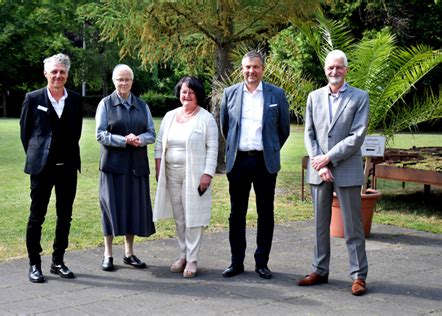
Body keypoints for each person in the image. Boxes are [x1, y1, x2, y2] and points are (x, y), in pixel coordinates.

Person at [298, 50, 370, 296]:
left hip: (346, 168)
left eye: (339, 67)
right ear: (325, 70)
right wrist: (321, 164)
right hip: (320, 171)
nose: (334, 71)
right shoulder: (313, 97)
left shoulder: (360, 97)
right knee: (320, 225)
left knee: (353, 226)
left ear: (346, 70)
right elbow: (309, 134)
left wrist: (329, 158)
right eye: (330, 67)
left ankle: (359, 276)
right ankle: (319, 270)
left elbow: (357, 136)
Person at [220, 51, 290, 279]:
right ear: (242, 69)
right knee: (236, 214)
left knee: (265, 213)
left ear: (263, 69)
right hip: (238, 161)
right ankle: (236, 262)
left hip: (264, 162)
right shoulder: (230, 94)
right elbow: (226, 127)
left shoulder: (276, 94)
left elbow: (283, 129)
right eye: (247, 67)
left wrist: (270, 148)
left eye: (256, 67)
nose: (251, 71)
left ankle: (262, 262)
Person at [20, 53, 83, 283]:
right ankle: (34, 264)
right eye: (54, 71)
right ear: (46, 73)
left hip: (67, 167)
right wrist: (39, 156)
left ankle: (58, 262)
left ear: (67, 75)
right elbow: (26, 134)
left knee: (65, 217)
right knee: (37, 217)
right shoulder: (33, 98)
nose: (58, 75)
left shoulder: (75, 100)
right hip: (41, 169)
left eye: (62, 72)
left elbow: (75, 131)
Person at [153, 76, 218, 278]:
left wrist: (207, 174)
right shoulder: (170, 116)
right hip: (171, 172)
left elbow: (213, 148)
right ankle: (182, 254)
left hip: (195, 175)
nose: (186, 95)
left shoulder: (206, 118)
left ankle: (192, 259)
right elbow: (158, 145)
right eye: (183, 91)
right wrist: (158, 169)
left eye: (191, 92)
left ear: (197, 94)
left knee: (193, 217)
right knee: (180, 217)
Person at [95, 64, 156, 272]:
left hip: (136, 168)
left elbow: (151, 134)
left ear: (132, 81)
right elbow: (100, 134)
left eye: (127, 79)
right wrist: (124, 140)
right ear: (114, 81)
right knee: (110, 209)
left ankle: (129, 253)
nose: (123, 83)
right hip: (112, 167)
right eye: (120, 79)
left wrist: (139, 139)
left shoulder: (142, 105)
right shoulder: (105, 104)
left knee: (132, 209)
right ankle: (108, 254)